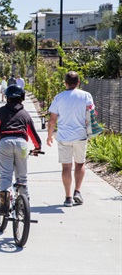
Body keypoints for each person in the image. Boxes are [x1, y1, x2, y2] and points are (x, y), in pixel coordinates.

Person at [0, 85, 42, 215]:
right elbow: (33, 133)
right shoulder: (25, 114)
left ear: (7, 98)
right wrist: (37, 147)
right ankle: (24, 205)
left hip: (5, 143)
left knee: (6, 177)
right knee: (22, 177)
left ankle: (3, 204)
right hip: (22, 145)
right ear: (22, 98)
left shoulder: (1, 111)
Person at [47, 71, 94, 207]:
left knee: (66, 166)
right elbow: (91, 115)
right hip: (80, 135)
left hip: (64, 136)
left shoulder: (59, 97)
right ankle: (77, 192)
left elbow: (52, 120)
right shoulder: (86, 96)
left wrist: (49, 136)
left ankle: (68, 197)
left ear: (65, 83)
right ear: (78, 82)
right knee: (80, 164)